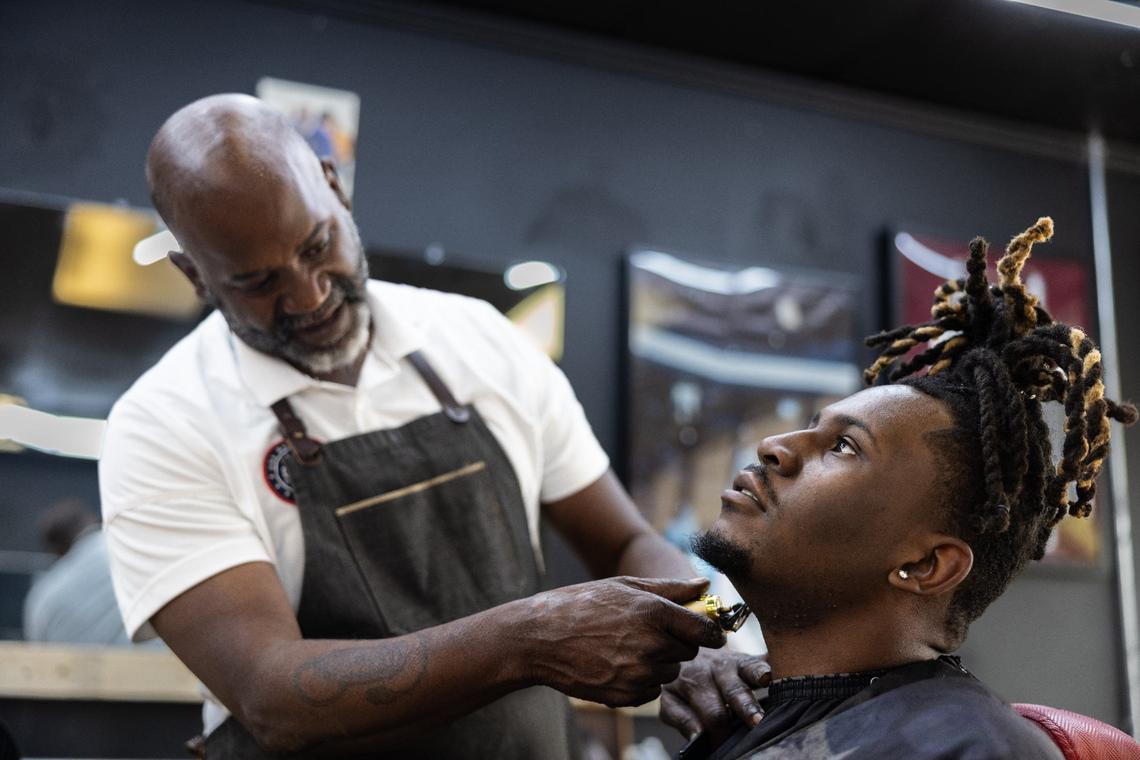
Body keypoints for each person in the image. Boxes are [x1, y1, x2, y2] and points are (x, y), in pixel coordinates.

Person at [100, 93, 759, 758]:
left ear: (334, 188)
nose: (308, 295)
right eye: (257, 282)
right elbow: (271, 695)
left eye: (316, 245)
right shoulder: (163, 424)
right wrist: (527, 640)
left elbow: (623, 543)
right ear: (195, 275)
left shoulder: (478, 340)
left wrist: (701, 628)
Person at [660, 218, 1138, 758]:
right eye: (814, 427)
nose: (775, 445)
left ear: (928, 565)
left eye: (844, 447)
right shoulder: (737, 721)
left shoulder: (967, 749)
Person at [23, 498, 133, 646]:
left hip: (80, 668)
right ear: (92, 521)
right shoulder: (130, 549)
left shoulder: (42, 595)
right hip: (158, 664)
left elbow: (36, 651)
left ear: (56, 551)